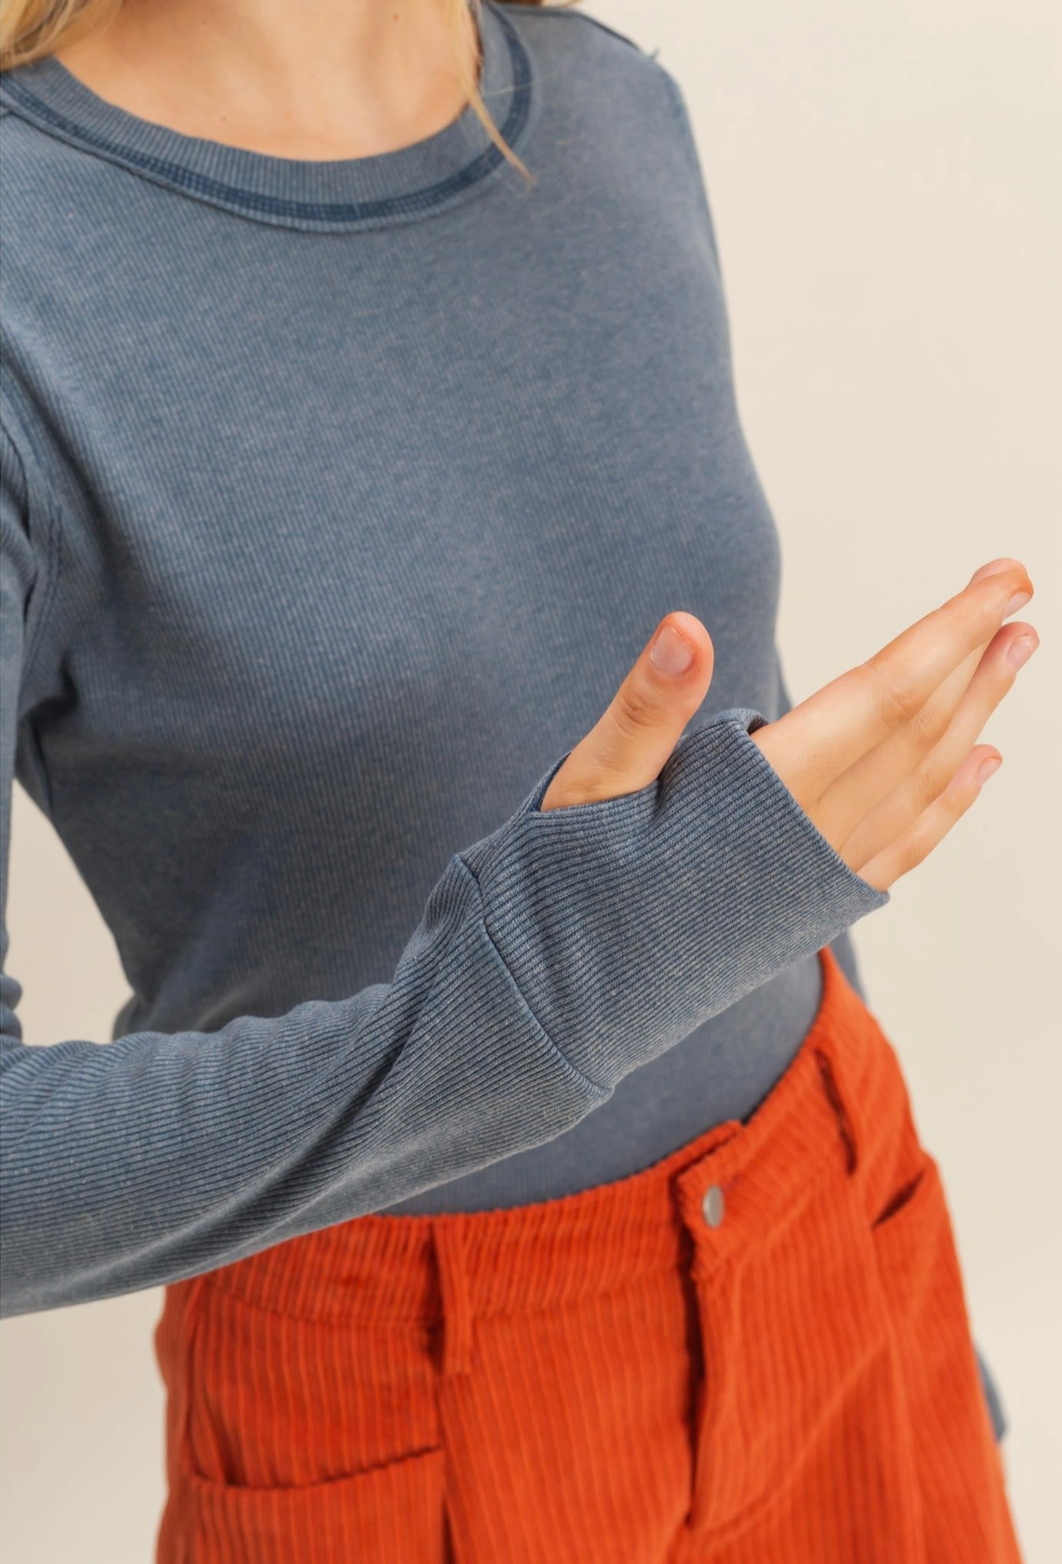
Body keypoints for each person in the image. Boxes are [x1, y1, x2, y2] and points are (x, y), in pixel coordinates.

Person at [0, 1, 1033, 1558]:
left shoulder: (609, 102)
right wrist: (548, 994)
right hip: (395, 1385)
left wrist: (908, 1316)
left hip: (838, 1220)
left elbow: (727, 838)